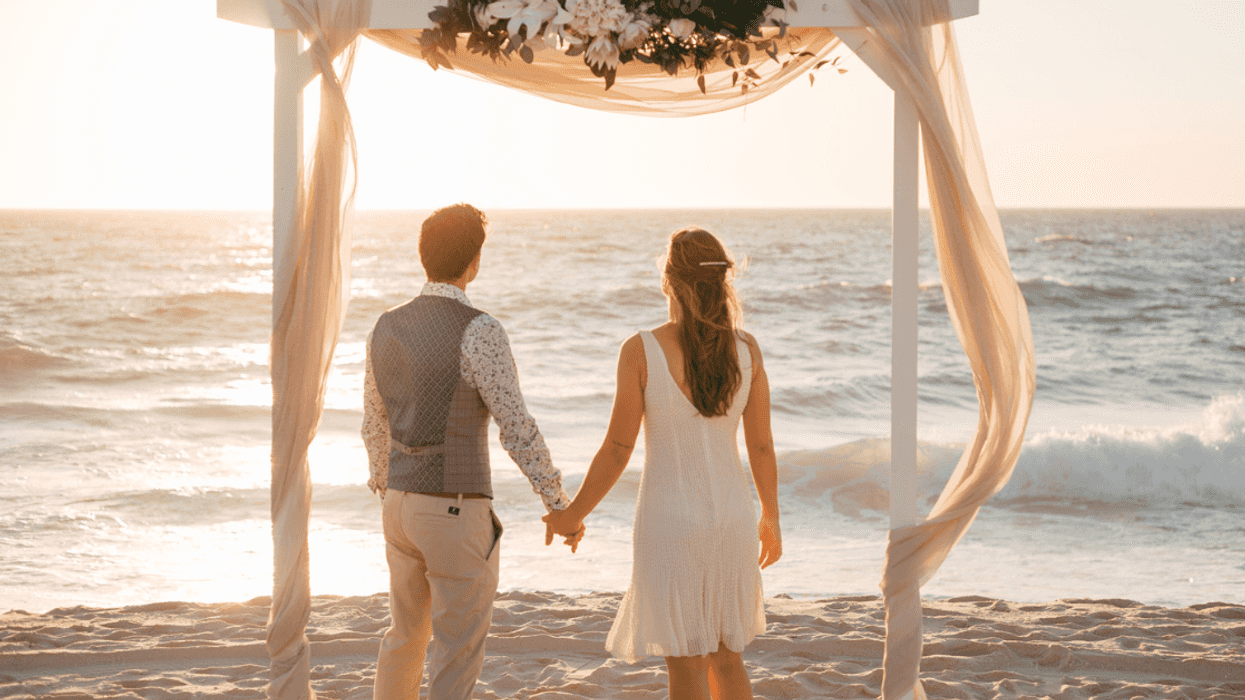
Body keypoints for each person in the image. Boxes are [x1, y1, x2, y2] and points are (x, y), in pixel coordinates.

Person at [544, 226, 782, 700]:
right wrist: (771, 515)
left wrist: (573, 514)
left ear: (668, 283)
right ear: (721, 284)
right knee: (727, 658)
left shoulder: (641, 350)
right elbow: (761, 446)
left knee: (686, 664)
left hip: (669, 523)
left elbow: (617, 448)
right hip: (731, 519)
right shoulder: (748, 351)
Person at [362, 203, 583, 700]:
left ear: (423, 256)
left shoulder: (384, 326)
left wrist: (390, 489)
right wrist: (558, 504)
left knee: (404, 638)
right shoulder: (480, 329)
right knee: (456, 651)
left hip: (398, 505)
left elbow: (373, 426)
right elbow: (516, 427)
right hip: (453, 508)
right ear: (474, 261)